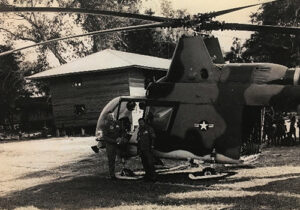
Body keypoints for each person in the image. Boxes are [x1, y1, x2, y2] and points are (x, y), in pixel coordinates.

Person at [102, 112, 122, 179]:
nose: (111, 117)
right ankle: (112, 175)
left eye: (112, 115)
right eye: (110, 116)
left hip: (119, 144)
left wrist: (120, 137)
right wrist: (114, 141)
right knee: (111, 160)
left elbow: (123, 131)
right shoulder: (106, 126)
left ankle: (123, 171)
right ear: (108, 117)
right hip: (110, 145)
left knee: (122, 158)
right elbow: (105, 137)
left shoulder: (118, 123)